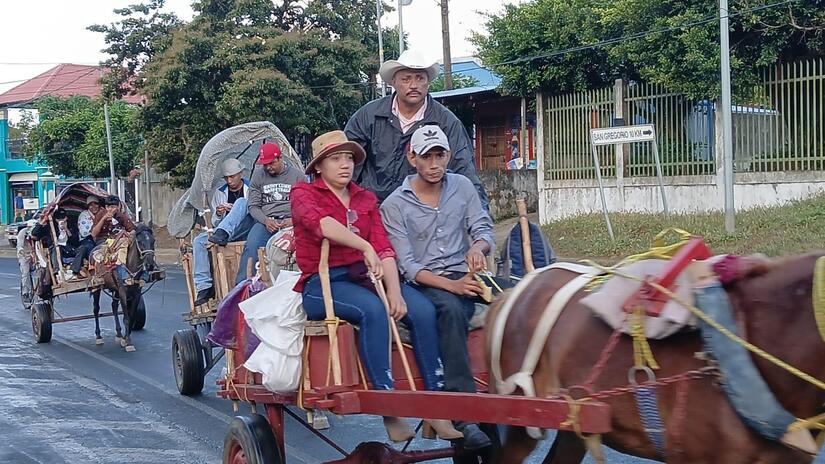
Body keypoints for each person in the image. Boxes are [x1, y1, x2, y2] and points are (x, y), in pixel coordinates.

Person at [291, 130, 461, 443]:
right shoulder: (304, 193)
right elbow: (322, 225)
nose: (345, 165)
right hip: (323, 284)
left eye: (348, 158)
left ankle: (436, 406)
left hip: (366, 276)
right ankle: (389, 406)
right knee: (374, 310)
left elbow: (383, 248)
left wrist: (395, 291)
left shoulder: (365, 198)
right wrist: (363, 246)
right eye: (335, 158)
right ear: (318, 166)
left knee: (422, 309)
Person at [381, 125, 510, 450]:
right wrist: (452, 286)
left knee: (523, 295)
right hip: (426, 283)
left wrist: (477, 249)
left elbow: (482, 228)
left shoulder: (463, 186)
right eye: (427, 156)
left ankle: (519, 383)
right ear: (413, 158)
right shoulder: (395, 205)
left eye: (440, 155)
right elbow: (408, 265)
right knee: (451, 310)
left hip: (464, 273)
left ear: (449, 156)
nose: (434, 163)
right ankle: (461, 411)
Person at [344, 49, 488, 209]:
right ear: (393, 81)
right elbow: (347, 164)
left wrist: (480, 221)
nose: (413, 85)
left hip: (422, 215)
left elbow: (465, 173)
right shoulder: (368, 116)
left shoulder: (446, 122)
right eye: (406, 79)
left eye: (420, 78)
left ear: (428, 81)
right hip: (371, 212)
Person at [234, 142, 303, 284]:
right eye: (265, 164)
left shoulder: (297, 177)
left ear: (281, 158)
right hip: (266, 222)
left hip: (291, 222)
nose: (268, 167)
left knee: (299, 251)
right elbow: (253, 206)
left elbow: (306, 206)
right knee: (251, 246)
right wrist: (265, 220)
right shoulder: (259, 177)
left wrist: (294, 220)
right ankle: (242, 288)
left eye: (271, 163)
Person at [192, 158, 252, 305]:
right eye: (227, 178)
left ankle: (224, 232)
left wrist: (236, 210)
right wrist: (219, 213)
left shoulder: (251, 189)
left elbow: (254, 211)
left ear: (241, 174)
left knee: (242, 203)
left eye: (232, 177)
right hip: (221, 233)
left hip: (245, 228)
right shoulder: (220, 193)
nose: (230, 181)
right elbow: (213, 223)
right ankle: (204, 286)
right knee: (199, 241)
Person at [65, 196, 101, 280]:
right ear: (88, 206)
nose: (94, 207)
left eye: (95, 204)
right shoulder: (84, 215)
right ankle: (92, 267)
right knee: (89, 246)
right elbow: (84, 232)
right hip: (87, 239)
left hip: (100, 238)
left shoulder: (102, 213)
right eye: (91, 205)